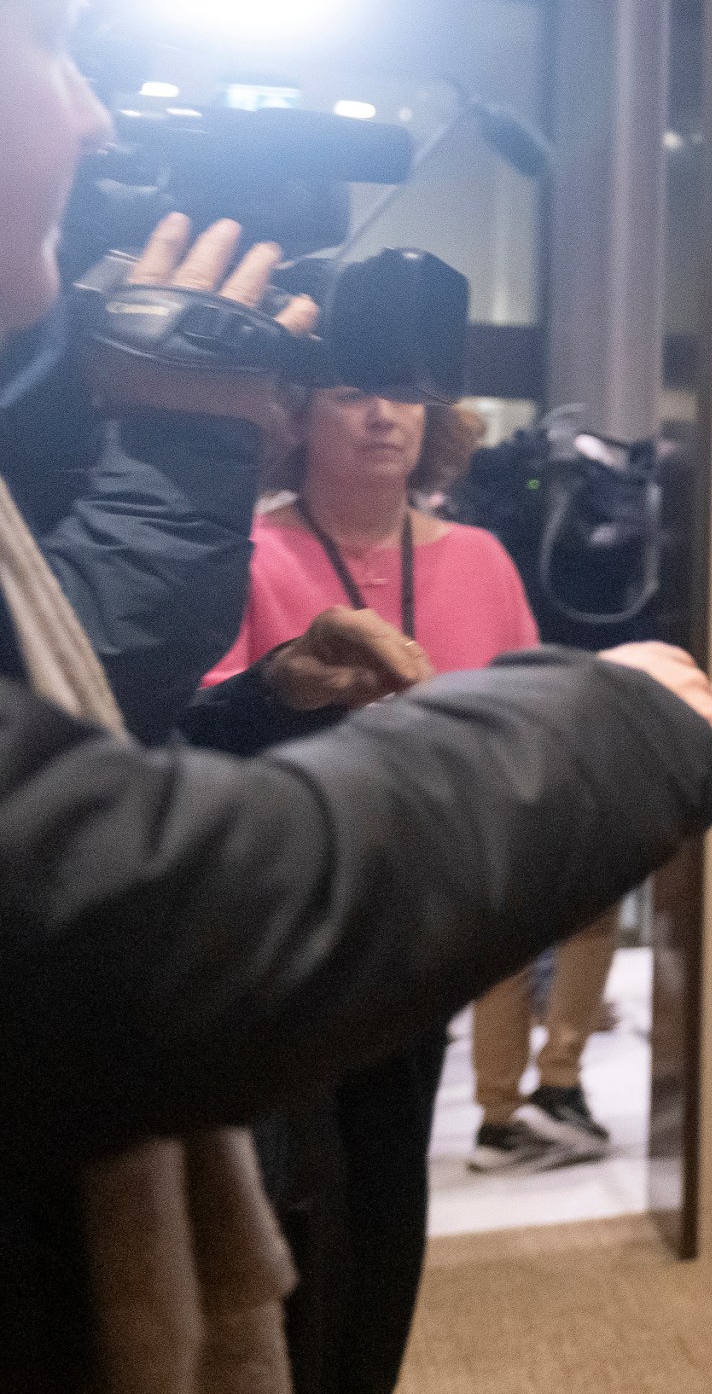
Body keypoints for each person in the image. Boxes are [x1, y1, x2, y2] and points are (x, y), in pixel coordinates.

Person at [0, 0, 712, 1387]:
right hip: (297, 956)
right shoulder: (232, 512)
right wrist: (606, 730)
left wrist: (258, 694)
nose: (99, 126)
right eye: (57, 52)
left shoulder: (461, 548)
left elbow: (88, 741)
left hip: (381, 941)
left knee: (368, 1250)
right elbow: (115, 906)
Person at [196, 385, 591, 1393]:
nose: (384, 418)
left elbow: (524, 735)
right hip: (281, 941)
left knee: (385, 1201)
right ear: (298, 418)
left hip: (422, 931)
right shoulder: (244, 549)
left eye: (406, 398)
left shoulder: (483, 558)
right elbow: (200, 747)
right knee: (292, 1210)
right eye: (353, 396)